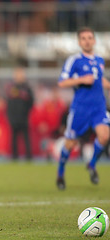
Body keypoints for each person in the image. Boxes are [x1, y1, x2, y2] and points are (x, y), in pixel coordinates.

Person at [56, 27, 110, 190]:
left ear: (94, 40)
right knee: (70, 144)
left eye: (90, 38)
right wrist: (81, 79)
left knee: (104, 136)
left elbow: (99, 80)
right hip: (80, 109)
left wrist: (107, 84)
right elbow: (62, 82)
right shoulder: (75, 60)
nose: (87, 41)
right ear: (79, 42)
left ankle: (92, 164)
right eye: (84, 38)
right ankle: (60, 173)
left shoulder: (99, 60)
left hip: (99, 108)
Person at [5, 66, 34, 160]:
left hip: (24, 117)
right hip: (13, 117)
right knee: (14, 138)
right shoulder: (11, 87)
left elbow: (31, 102)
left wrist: (26, 112)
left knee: (26, 137)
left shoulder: (27, 88)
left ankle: (29, 156)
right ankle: (14, 156)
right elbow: (8, 102)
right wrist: (10, 115)